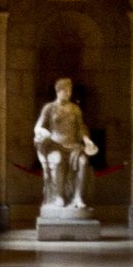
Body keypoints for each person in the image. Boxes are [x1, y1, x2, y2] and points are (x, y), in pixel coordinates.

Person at [33, 78, 93, 212]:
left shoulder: (75, 109)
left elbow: (81, 127)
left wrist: (87, 140)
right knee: (58, 160)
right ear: (58, 91)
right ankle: (58, 196)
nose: (68, 93)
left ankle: (78, 197)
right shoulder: (49, 108)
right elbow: (38, 127)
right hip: (55, 145)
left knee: (83, 162)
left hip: (73, 147)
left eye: (70, 90)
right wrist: (43, 132)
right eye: (65, 90)